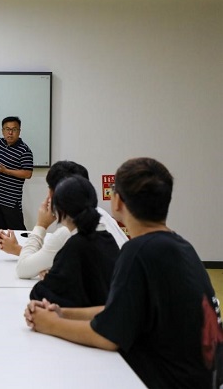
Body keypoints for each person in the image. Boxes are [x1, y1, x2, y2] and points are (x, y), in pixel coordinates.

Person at [25, 157, 223, 388]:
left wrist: (49, 324)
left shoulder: (138, 251)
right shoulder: (180, 246)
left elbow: (108, 336)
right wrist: (63, 313)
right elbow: (119, 311)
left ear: (117, 201)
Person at [0, 160, 128, 279]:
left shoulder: (70, 230)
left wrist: (41, 225)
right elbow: (55, 256)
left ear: (53, 194)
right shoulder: (102, 215)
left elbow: (23, 269)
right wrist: (18, 249)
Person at [28, 175, 119, 307]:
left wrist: (50, 277)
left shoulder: (75, 245)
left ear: (59, 210)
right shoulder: (107, 238)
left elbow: (39, 293)